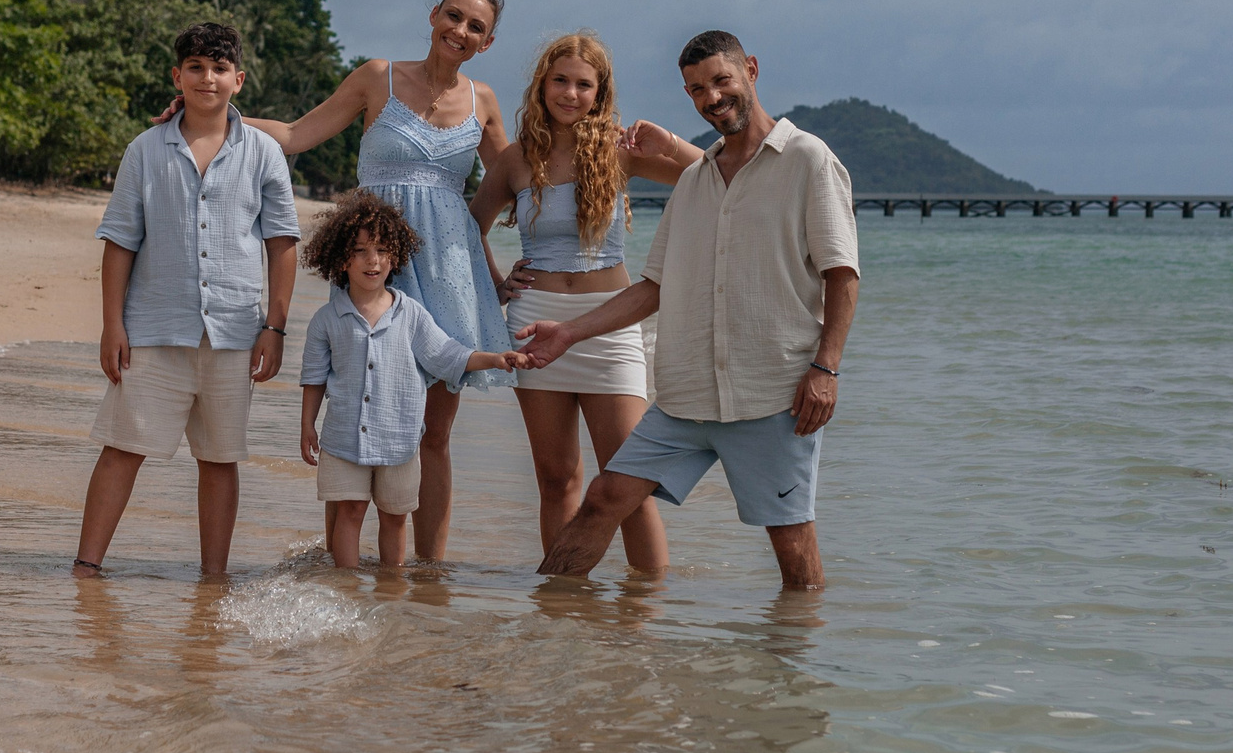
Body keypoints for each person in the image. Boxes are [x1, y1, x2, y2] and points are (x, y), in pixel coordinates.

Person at [517, 31, 859, 590]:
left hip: (771, 394)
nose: (712, 97)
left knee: (791, 546)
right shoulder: (698, 179)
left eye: (722, 80)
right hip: (687, 396)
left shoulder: (806, 159)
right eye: (697, 90)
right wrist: (568, 333)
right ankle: (552, 621)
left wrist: (826, 368)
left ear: (750, 69)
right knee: (604, 499)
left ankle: (795, 667)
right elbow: (654, 285)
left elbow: (842, 272)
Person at [229, 0, 513, 563]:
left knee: (433, 435)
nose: (460, 31)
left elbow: (514, 183)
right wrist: (215, 110)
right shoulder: (375, 77)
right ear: (433, 14)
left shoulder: (484, 100)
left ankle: (430, 573)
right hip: (371, 262)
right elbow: (294, 136)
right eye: (453, 16)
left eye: (475, 27)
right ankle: (344, 565)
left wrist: (518, 268)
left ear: (487, 42)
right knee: (355, 415)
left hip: (452, 277)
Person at [74, 22, 299, 579]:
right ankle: (86, 566)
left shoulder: (264, 153)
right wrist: (112, 325)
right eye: (195, 67)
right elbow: (121, 241)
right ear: (177, 76)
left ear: (238, 80)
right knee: (123, 447)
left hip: (234, 330)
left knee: (221, 457)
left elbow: (283, 244)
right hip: (153, 327)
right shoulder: (145, 150)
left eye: (219, 68)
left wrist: (275, 327)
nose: (208, 78)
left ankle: (214, 577)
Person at [470, 33, 700, 573]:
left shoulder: (620, 152)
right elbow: (468, 228)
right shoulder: (516, 159)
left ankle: (646, 615)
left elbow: (711, 174)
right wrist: (497, 284)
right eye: (561, 80)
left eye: (583, 84)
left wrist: (667, 140)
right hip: (531, 327)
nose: (570, 93)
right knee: (557, 479)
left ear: (600, 93)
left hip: (610, 326)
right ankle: (565, 609)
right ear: (542, 84)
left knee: (627, 482)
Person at [298, 193, 531, 569]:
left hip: (400, 442)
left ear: (394, 257)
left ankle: (392, 588)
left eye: (381, 250)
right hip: (343, 439)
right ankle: (347, 586)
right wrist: (307, 425)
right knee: (351, 511)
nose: (372, 260)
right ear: (342, 260)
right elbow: (313, 377)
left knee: (394, 517)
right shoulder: (327, 319)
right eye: (360, 251)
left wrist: (494, 358)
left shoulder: (411, 314)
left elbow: (448, 355)